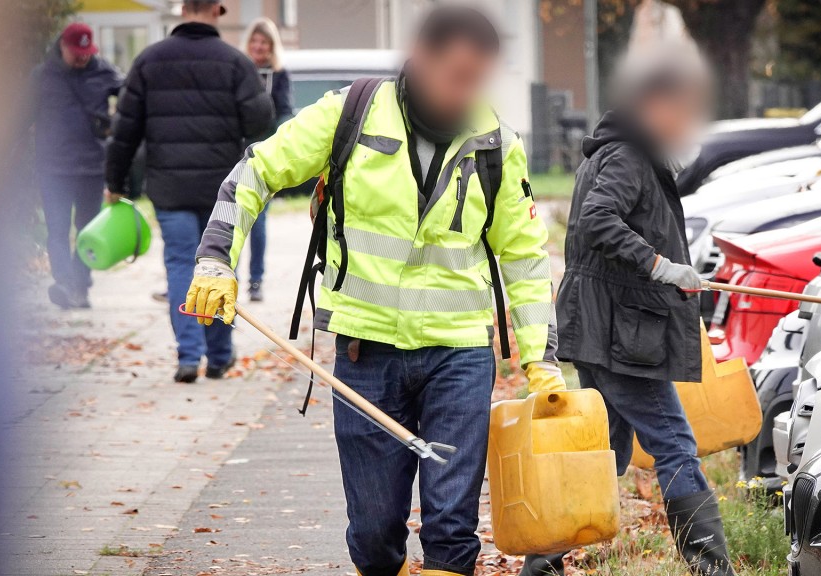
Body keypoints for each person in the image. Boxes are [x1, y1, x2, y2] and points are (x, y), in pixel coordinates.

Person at [185, 7, 565, 576]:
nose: (463, 91)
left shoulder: (495, 144)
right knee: (372, 532)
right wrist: (216, 258)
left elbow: (524, 256)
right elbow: (256, 171)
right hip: (366, 355)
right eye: (453, 75)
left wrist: (541, 358)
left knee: (451, 530)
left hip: (459, 356)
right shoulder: (351, 113)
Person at [551, 28, 736, 576]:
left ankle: (543, 560)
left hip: (607, 328)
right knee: (675, 444)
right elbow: (596, 220)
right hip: (620, 336)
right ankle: (712, 567)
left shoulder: (625, 151)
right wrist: (661, 266)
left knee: (603, 453)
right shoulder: (629, 156)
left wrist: (679, 272)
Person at [105, 0, 273, 383]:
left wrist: (114, 183)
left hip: (170, 186)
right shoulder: (234, 62)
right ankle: (218, 356)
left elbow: (124, 130)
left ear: (182, 10)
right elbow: (259, 119)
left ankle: (187, 355)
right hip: (224, 191)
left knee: (181, 264)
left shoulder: (149, 61)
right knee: (218, 265)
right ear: (217, 10)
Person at [31, 23, 122, 309]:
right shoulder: (43, 76)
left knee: (86, 231)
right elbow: (19, 116)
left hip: (91, 167)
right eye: (76, 52)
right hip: (53, 167)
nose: (83, 57)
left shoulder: (103, 71)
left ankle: (80, 287)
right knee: (57, 229)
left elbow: (133, 97)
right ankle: (64, 283)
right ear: (62, 46)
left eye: (87, 52)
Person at [240, 17, 294, 302]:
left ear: (272, 46)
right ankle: (229, 277)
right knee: (231, 219)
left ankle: (256, 280)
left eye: (265, 42)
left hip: (264, 156)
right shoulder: (238, 70)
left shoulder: (279, 75)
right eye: (255, 41)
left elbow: (285, 111)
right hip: (234, 153)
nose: (259, 46)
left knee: (258, 223)